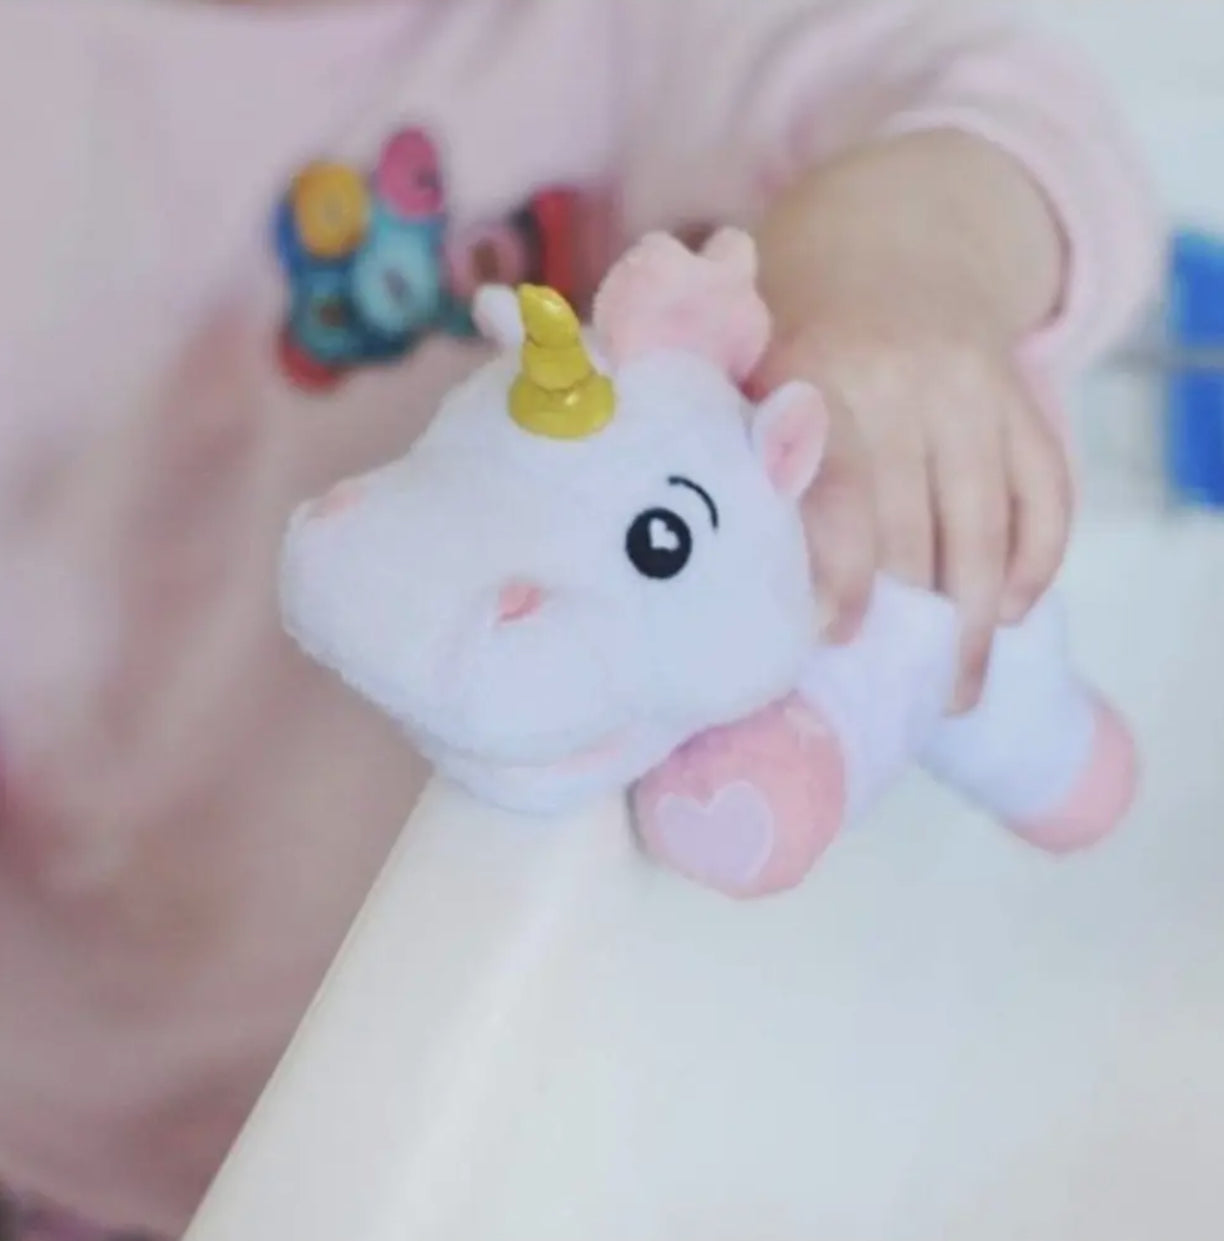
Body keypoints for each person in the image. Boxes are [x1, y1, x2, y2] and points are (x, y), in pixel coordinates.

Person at [0, 0, 1160, 1236]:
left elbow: (998, 103)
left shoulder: (634, 29)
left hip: (531, 1078)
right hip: (68, 1093)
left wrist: (892, 271)